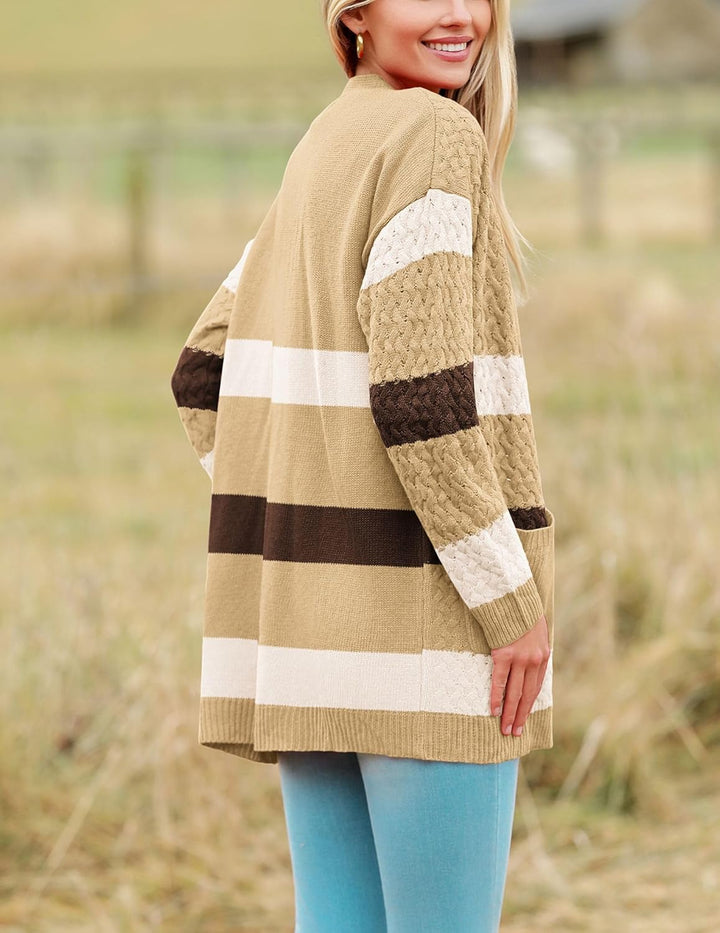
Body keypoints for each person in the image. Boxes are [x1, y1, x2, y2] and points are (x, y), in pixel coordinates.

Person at [170, 1, 556, 930]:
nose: (460, 15)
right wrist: (511, 604)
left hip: (308, 638)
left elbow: (201, 373)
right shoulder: (434, 136)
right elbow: (422, 402)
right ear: (356, 13)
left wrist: (319, 511)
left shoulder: (330, 139)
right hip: (429, 630)